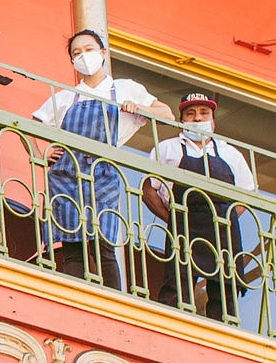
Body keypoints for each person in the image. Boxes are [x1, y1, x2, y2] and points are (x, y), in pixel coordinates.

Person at [31, 31, 170, 291]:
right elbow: (30, 125)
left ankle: (113, 300)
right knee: (72, 246)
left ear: (103, 52)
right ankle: (73, 294)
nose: (83, 56)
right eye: (76, 53)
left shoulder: (126, 88)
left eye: (89, 49)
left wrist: (139, 109)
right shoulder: (66, 96)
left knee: (102, 242)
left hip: (102, 172)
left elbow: (166, 114)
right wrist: (41, 155)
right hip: (65, 175)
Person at [147, 89, 256, 325]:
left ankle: (224, 335)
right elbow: (149, 191)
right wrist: (173, 219)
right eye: (190, 113)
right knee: (178, 284)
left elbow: (245, 197)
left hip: (224, 234)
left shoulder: (230, 152)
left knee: (224, 292)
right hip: (184, 226)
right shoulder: (167, 148)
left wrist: (224, 221)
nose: (197, 118)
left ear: (213, 123)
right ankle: (172, 328)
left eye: (203, 113)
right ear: (182, 120)